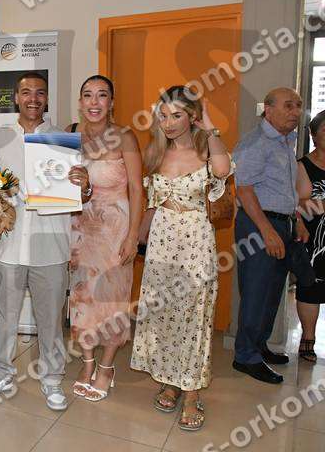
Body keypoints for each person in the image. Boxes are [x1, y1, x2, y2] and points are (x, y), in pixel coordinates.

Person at [0, 71, 91, 411]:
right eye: (26, 92)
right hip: (8, 244)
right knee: (4, 316)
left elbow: (79, 194)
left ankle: (52, 378)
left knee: (50, 319)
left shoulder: (62, 141)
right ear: (16, 97)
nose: (33, 98)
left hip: (50, 244)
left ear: (47, 98)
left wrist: (84, 185)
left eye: (40, 93)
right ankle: (0, 373)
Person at [131, 86, 231, 431]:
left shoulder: (207, 151)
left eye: (177, 115)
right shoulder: (155, 153)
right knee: (164, 314)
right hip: (161, 243)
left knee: (194, 316)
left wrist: (210, 127)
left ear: (192, 116)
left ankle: (191, 393)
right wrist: (135, 239)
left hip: (196, 242)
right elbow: (151, 204)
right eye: (163, 116)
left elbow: (222, 171)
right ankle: (171, 382)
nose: (169, 123)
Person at [67, 75, 143, 401]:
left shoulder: (125, 137)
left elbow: (137, 189)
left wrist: (133, 236)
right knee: (82, 298)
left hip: (115, 232)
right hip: (80, 229)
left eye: (101, 95)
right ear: (80, 101)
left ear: (111, 102)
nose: (94, 102)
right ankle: (87, 364)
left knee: (112, 300)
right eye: (88, 95)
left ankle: (107, 367)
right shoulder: (70, 134)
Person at [233, 87, 304, 384]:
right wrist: (267, 231)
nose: (296, 112)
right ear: (269, 110)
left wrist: (296, 220)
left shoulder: (285, 141)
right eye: (289, 106)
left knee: (272, 291)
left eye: (298, 105)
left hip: (281, 223)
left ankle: (258, 345)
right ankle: (245, 357)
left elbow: (284, 189)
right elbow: (244, 190)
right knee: (256, 291)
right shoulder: (255, 143)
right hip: (259, 225)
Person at [294, 111, 325, 363]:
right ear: (314, 135)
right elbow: (299, 205)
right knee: (311, 288)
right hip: (315, 239)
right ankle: (308, 338)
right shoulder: (302, 165)